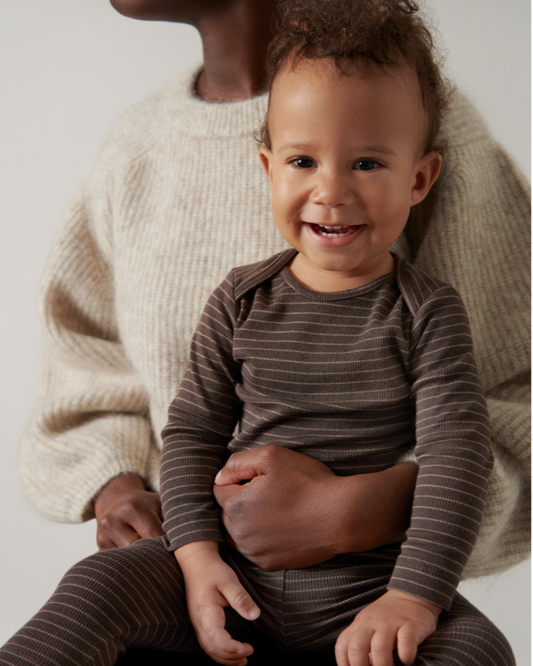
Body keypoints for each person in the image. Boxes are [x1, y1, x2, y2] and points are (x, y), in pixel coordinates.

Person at [0, 2, 517, 665]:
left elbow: (458, 457)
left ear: (419, 178)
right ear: (268, 168)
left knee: (478, 648)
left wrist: (411, 596)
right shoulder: (240, 298)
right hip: (229, 574)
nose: (330, 190)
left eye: (366, 164)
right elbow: (191, 432)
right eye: (303, 161)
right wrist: (195, 559)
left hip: (369, 588)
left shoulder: (429, 312)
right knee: (97, 585)